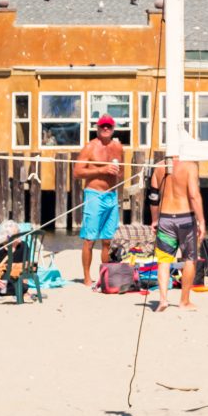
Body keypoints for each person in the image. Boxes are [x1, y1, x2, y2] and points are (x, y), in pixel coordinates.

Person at [73, 115, 126, 289]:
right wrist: (102, 169)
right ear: (97, 127)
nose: (105, 129)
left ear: (113, 128)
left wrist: (118, 175)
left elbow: (122, 172)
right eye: (102, 126)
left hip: (111, 196)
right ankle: (87, 278)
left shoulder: (118, 147)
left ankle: (105, 274)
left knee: (107, 240)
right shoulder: (90, 147)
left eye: (108, 126)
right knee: (90, 239)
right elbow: (77, 172)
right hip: (94, 195)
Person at [150, 147, 202, 310]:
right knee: (189, 259)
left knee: (164, 261)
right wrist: (201, 220)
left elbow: (153, 197)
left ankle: (163, 299)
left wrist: (154, 219)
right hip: (185, 217)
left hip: (165, 218)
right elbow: (193, 195)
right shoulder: (190, 166)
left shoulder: (159, 166)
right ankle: (184, 301)